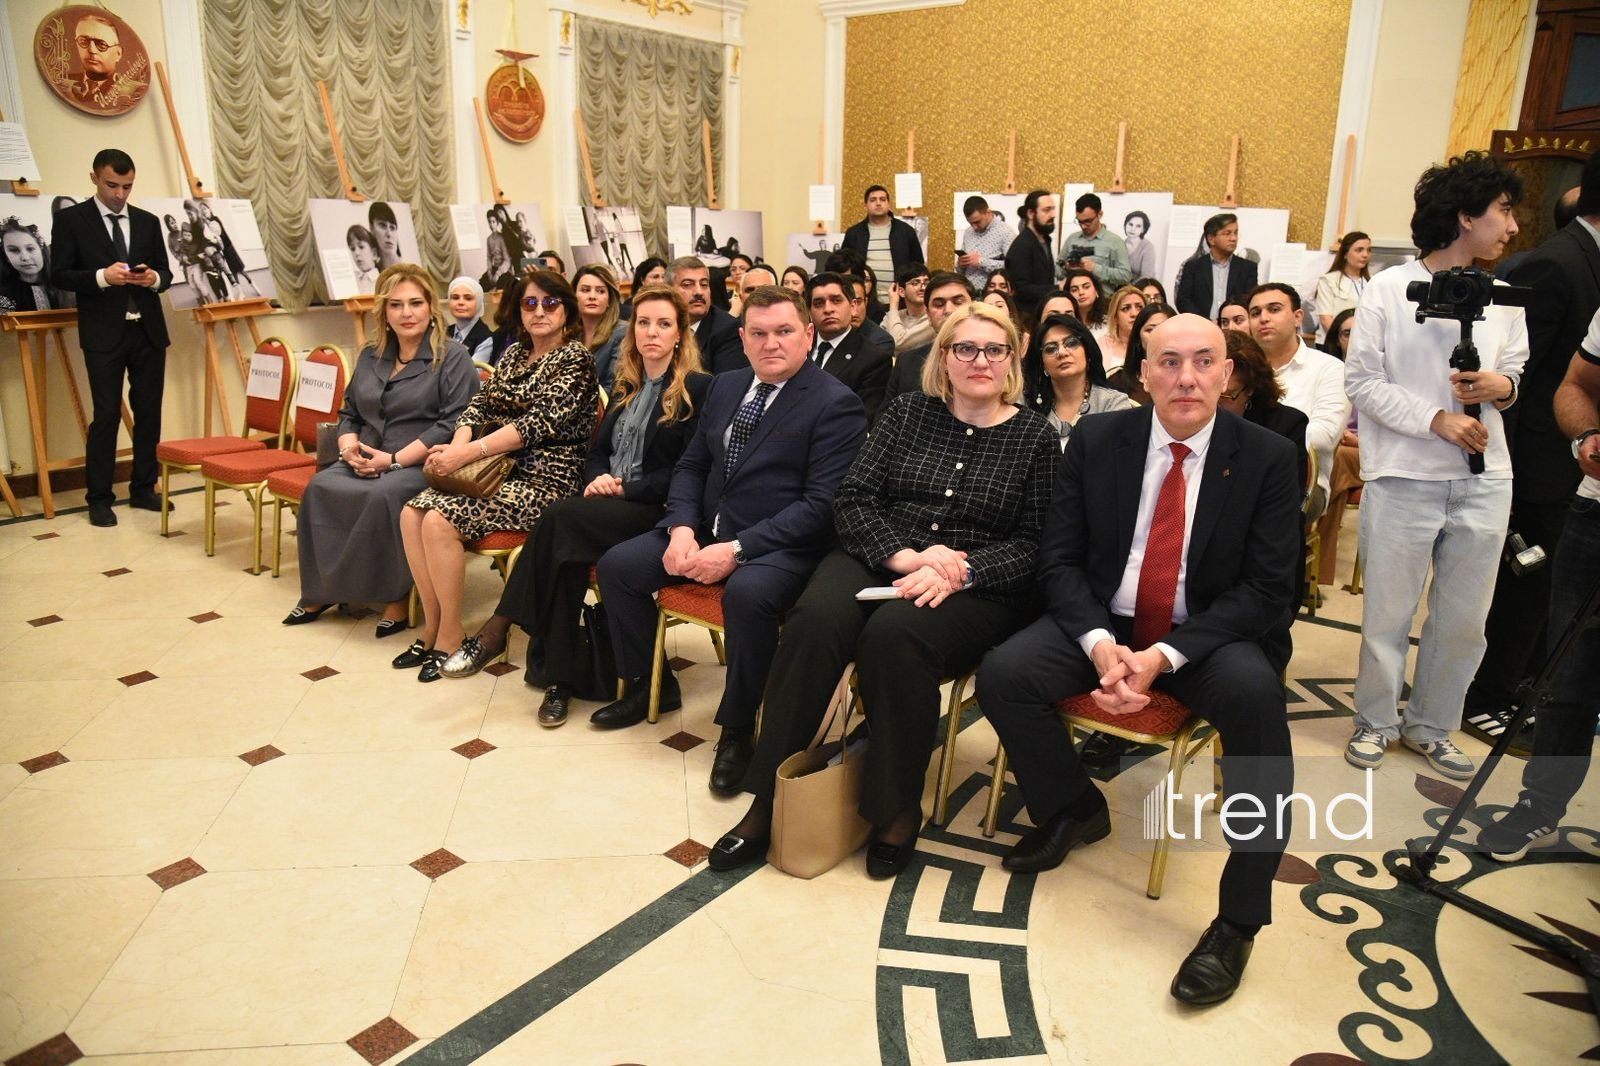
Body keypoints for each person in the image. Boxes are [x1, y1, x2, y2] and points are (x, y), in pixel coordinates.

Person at [976, 313, 1301, 1006]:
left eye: (1204, 362)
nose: (1188, 377)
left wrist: (1163, 655)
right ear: (1142, 373)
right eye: (1170, 362)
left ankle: (1239, 920)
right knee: (1005, 673)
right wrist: (1099, 644)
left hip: (1208, 632)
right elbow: (1058, 559)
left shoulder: (1268, 456)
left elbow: (1270, 590)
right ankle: (1072, 807)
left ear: (1227, 372)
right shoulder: (1097, 439)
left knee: (1256, 702)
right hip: (1106, 617)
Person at [708, 303, 1058, 875]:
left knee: (895, 639)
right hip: (884, 551)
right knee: (814, 621)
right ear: (943, 358)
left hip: (973, 584)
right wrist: (908, 556)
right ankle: (768, 799)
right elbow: (854, 500)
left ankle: (895, 809)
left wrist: (958, 570)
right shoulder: (905, 415)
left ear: (1012, 362)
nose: (979, 360)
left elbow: (1035, 543)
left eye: (994, 350)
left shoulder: (1035, 438)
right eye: (964, 348)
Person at [591, 287, 868, 797]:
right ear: (742, 339)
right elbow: (693, 465)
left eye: (784, 331)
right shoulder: (725, 386)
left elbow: (819, 505)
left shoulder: (835, 404)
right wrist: (679, 528)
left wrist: (737, 551)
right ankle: (645, 686)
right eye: (758, 333)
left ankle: (738, 730)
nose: (771, 344)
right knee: (619, 567)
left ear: (807, 334)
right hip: (705, 530)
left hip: (780, 546)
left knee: (747, 596)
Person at [1344, 151, 1528, 781]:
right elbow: (1362, 382)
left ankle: (1433, 724)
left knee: (1464, 618)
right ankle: (1375, 721)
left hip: (1485, 478)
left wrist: (1498, 387)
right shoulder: (1389, 291)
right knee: (1389, 612)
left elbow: (1519, 376)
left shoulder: (1505, 296)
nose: (1512, 227)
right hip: (1403, 474)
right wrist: (1436, 418)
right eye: (1503, 211)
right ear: (1464, 214)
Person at [440, 286, 713, 708]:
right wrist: (599, 477)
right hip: (608, 505)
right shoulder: (628, 388)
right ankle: (559, 685)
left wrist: (624, 487)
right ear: (633, 331)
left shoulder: (698, 389)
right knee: (565, 553)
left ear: (680, 334)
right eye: (643, 323)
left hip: (657, 511)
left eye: (663, 324)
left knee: (560, 519)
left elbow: (688, 472)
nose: (652, 333)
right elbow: (597, 451)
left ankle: (497, 629)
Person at [397, 269, 599, 681]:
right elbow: (478, 407)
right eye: (529, 303)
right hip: (497, 473)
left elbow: (535, 426)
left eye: (550, 303)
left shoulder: (576, 359)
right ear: (518, 310)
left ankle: (452, 635)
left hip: (547, 482)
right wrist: (458, 445)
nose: (539, 311)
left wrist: (465, 454)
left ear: (567, 309)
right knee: (410, 513)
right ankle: (433, 627)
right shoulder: (512, 353)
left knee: (438, 520)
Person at [1463, 150, 1600, 744]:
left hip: (1566, 468)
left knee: (1547, 591)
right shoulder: (1554, 264)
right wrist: (1504, 475)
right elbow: (1518, 375)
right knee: (1522, 586)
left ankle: (1522, 688)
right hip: (1537, 465)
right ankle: (1485, 695)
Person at [286, 263, 479, 635]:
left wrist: (393, 460)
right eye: (396, 305)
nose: (406, 313)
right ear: (384, 312)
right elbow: (349, 411)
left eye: (415, 303)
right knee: (321, 488)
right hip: (365, 454)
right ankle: (323, 590)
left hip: (421, 461)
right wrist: (348, 449)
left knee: (384, 496)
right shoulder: (371, 354)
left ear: (430, 309)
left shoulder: (452, 357)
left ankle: (396, 597)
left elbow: (454, 421)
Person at [1476, 310, 1600, 860]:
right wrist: (1588, 434)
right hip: (1595, 513)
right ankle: (1541, 805)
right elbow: (1576, 385)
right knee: (1569, 672)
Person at [49, 149, 173, 528]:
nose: (120, 194)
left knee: (149, 414)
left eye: (127, 186)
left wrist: (152, 279)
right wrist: (103, 277)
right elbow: (60, 274)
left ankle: (143, 489)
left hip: (147, 331)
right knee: (105, 416)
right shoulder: (72, 220)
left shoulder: (148, 221)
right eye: (112, 185)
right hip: (103, 333)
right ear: (94, 178)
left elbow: (165, 273)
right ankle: (99, 498)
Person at [1247, 282, 1350, 511]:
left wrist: (1249, 441)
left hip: (1302, 485)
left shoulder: (1330, 368)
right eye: (1255, 313)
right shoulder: (1241, 370)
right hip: (1240, 476)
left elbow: (1323, 437)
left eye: (1274, 309)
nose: (1263, 318)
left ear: (1297, 317)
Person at [1022, 312, 1132, 451]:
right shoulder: (1028, 408)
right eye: (1051, 348)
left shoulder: (1112, 403)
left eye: (1072, 343)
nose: (1062, 353)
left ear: (1088, 351)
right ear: (1042, 363)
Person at [806, 272, 894, 420]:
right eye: (819, 303)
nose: (828, 309)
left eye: (836, 300)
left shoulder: (874, 360)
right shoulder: (798, 347)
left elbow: (862, 419)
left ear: (853, 306)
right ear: (810, 313)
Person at [889, 271, 975, 398]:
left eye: (958, 302)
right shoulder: (907, 362)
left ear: (975, 307)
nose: (949, 311)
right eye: (939, 304)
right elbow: (886, 415)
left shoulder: (995, 357)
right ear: (928, 314)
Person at [842, 185, 924, 315]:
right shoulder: (854, 233)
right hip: (864, 301)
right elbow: (844, 266)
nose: (878, 203)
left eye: (882, 199)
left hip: (900, 301)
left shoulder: (906, 231)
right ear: (865, 205)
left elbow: (918, 266)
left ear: (889, 204)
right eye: (873, 200)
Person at [1174, 212, 1257, 319]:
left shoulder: (1247, 268)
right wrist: (1204, 322)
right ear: (1211, 239)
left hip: (1234, 328)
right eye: (1227, 233)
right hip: (1201, 328)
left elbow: (1250, 301)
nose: (1234, 238)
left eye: (1236, 233)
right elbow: (1183, 301)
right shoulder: (1193, 267)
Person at [669, 256, 743, 374]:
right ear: (668, 290)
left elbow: (725, 386)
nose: (699, 292)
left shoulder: (728, 330)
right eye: (687, 285)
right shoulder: (659, 324)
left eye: (704, 284)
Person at [1056, 193, 1132, 292]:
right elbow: (1057, 268)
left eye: (1088, 221)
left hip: (1104, 300)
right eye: (1079, 221)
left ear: (1100, 214)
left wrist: (1095, 268)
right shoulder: (1072, 239)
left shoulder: (1115, 242)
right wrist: (1066, 268)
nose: (1083, 226)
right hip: (1073, 299)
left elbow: (1125, 276)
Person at [1005, 189, 1058, 320]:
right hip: (1027, 318)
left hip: (1043, 311)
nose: (1053, 215)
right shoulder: (1021, 246)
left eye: (1053, 209)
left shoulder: (1045, 240)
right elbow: (1022, 289)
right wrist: (1057, 288)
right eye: (1046, 210)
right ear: (1030, 213)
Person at [1107, 301, 1175, 402]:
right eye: (1150, 330)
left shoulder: (1188, 379)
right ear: (1138, 338)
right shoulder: (1117, 382)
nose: (1157, 336)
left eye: (1164, 329)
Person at [573, 264, 625, 390]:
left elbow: (613, 387)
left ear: (609, 300)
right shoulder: (568, 333)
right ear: (574, 295)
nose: (592, 296)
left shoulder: (622, 333)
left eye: (600, 291)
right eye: (585, 290)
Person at [0, 217, 69, 311]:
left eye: (30, 248)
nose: (25, 257)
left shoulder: (66, 285)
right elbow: (4, 323)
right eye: (14, 250)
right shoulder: (3, 293)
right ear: (6, 256)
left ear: (41, 250)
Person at [1314, 231, 1373, 334]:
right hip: (1334, 343)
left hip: (1362, 342)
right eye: (1359, 250)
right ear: (1345, 254)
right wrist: (1343, 342)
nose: (1365, 255)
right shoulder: (1328, 281)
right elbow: (1325, 319)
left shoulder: (1372, 283)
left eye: (1368, 250)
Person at [957, 195, 1016, 295]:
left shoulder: (1006, 232)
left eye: (977, 222)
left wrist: (981, 262)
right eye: (970, 223)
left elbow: (1013, 267)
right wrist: (960, 265)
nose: (974, 227)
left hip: (993, 295)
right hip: (968, 293)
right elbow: (960, 271)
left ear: (988, 212)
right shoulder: (968, 232)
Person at [69, 13, 123, 105]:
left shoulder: (128, 92)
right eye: (83, 41)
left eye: (102, 45)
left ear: (118, 53)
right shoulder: (64, 82)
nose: (91, 50)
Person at [446, 276, 494, 362]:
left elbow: (471, 373)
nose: (460, 302)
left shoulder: (485, 338)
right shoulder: (443, 332)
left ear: (479, 302)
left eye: (468, 298)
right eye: (455, 297)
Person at [1100, 285, 1145, 374]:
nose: (1134, 314)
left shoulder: (1152, 344)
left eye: (1139, 307)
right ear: (1115, 317)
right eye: (1126, 308)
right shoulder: (1102, 344)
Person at [369, 202, 404, 271]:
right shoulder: (372, 270)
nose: (389, 234)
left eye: (392, 228)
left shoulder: (406, 270)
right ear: (371, 228)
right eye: (382, 225)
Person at [1123, 210, 1157, 278]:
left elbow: (1146, 277)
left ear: (1143, 229)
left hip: (1143, 286)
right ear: (1125, 225)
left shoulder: (1148, 247)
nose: (1133, 229)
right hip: (1123, 286)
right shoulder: (1120, 244)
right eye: (1130, 224)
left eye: (1138, 226)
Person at [348, 225, 380, 294]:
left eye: (361, 247)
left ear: (374, 254)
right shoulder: (352, 282)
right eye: (352, 249)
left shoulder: (382, 282)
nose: (356, 253)